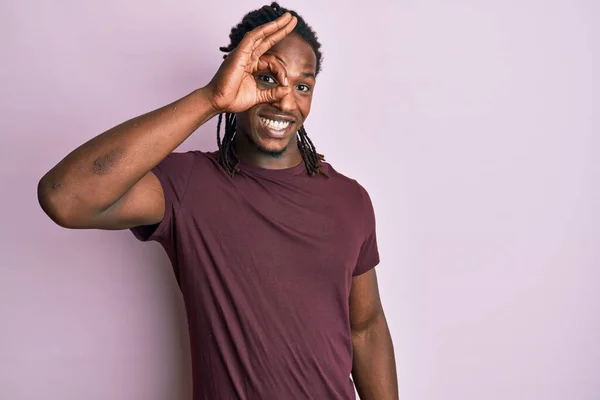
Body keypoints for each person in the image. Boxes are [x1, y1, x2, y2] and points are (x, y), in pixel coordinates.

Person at [37, 3, 398, 399]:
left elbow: (366, 327)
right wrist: (211, 98)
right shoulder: (188, 185)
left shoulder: (349, 199)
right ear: (238, 74)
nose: (285, 101)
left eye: (302, 86)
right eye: (266, 77)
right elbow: (64, 197)